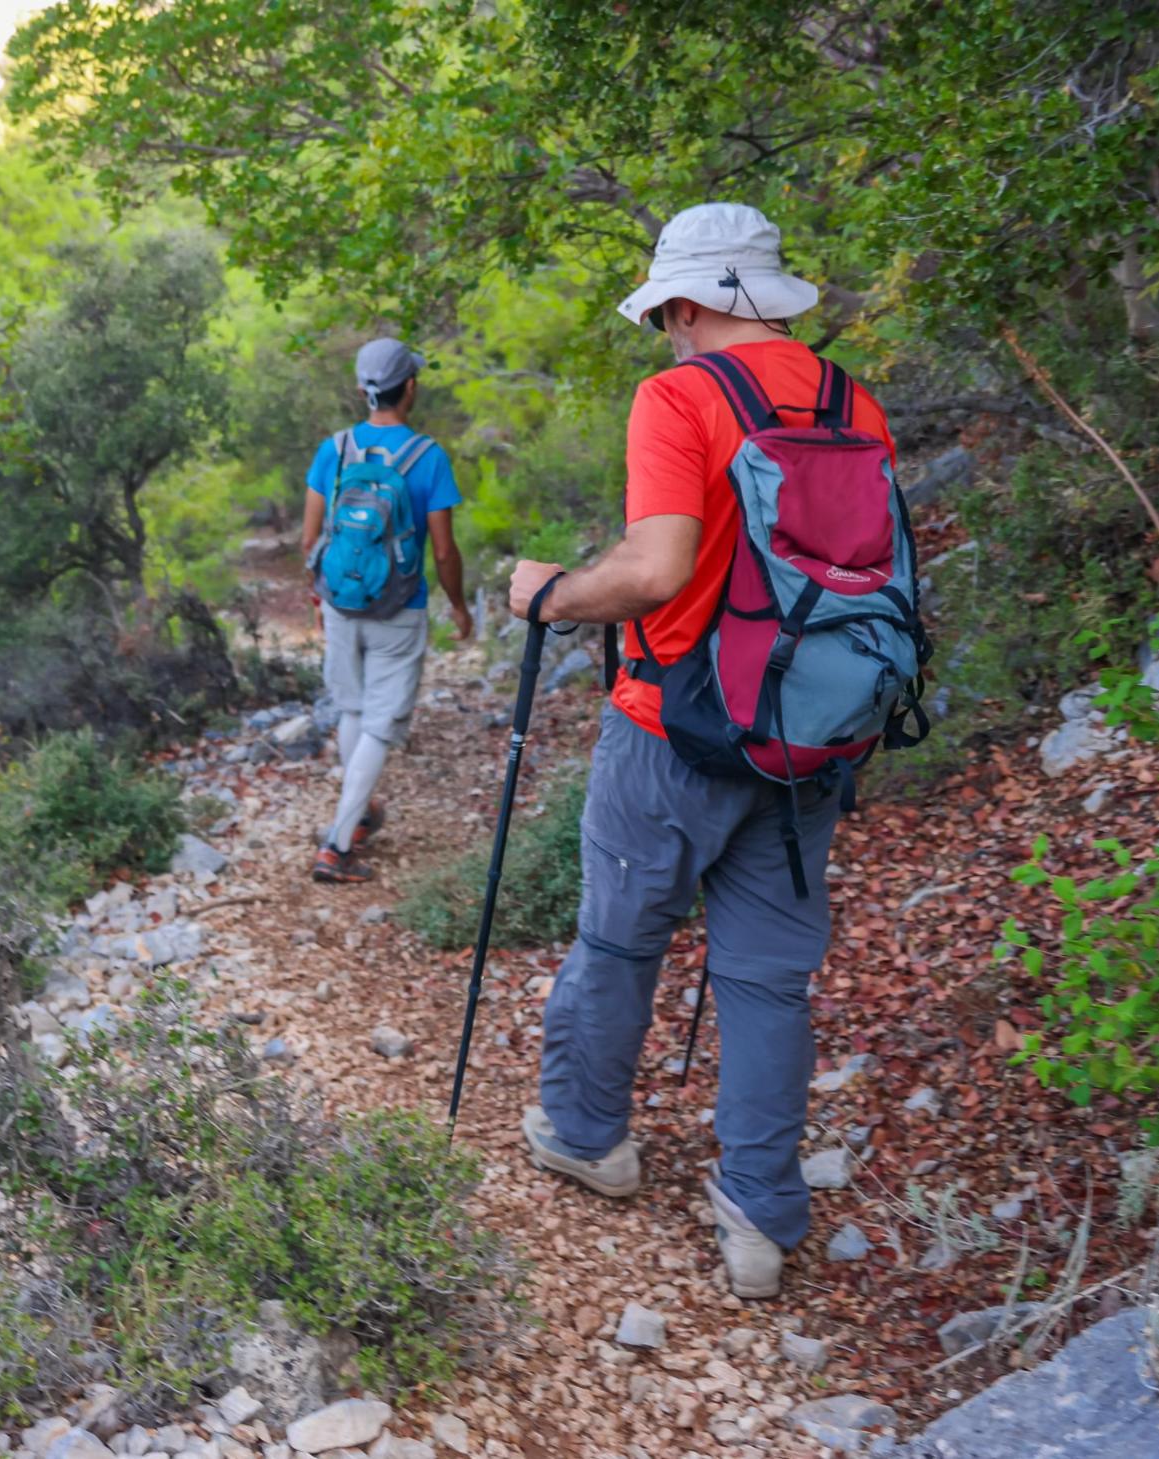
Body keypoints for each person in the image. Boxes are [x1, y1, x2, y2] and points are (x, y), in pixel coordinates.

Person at [505, 203, 896, 1298]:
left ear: (685, 301)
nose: (663, 332)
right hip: (810, 730)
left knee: (620, 938)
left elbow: (656, 568)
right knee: (769, 978)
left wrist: (549, 597)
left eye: (663, 313)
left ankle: (589, 1134)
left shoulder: (676, 396)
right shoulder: (849, 399)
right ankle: (761, 1212)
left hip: (671, 724)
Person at [300, 337, 472, 884]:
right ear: (411, 387)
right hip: (401, 608)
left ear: (362, 390)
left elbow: (310, 538)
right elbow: (443, 550)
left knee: (353, 710)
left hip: (341, 603)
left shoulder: (335, 449)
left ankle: (356, 819)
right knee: (380, 723)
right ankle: (336, 845)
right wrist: (459, 607)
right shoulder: (428, 457)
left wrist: (320, 594)